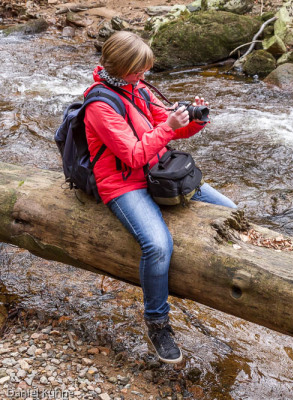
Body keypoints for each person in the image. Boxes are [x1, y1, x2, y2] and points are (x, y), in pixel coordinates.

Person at [84, 31, 236, 364]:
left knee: (231, 211)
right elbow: (134, 155)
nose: (144, 76)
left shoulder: (137, 88)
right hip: (123, 184)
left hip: (157, 171)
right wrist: (167, 127)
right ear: (123, 67)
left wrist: (193, 121)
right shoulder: (99, 105)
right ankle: (157, 323)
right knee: (158, 245)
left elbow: (164, 129)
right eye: (139, 70)